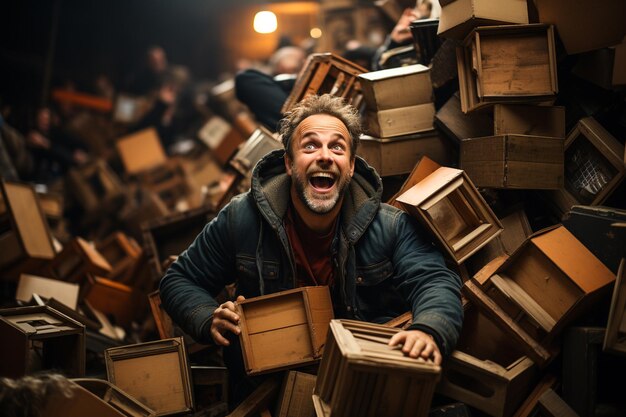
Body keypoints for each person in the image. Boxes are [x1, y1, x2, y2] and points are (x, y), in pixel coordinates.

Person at [159, 94, 463, 406]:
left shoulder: (391, 226)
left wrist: (428, 330)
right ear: (289, 164)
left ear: (351, 166)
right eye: (310, 145)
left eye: (337, 147)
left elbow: (435, 281)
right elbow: (179, 280)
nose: (325, 156)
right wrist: (207, 317)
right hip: (268, 395)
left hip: (361, 393)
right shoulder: (242, 218)